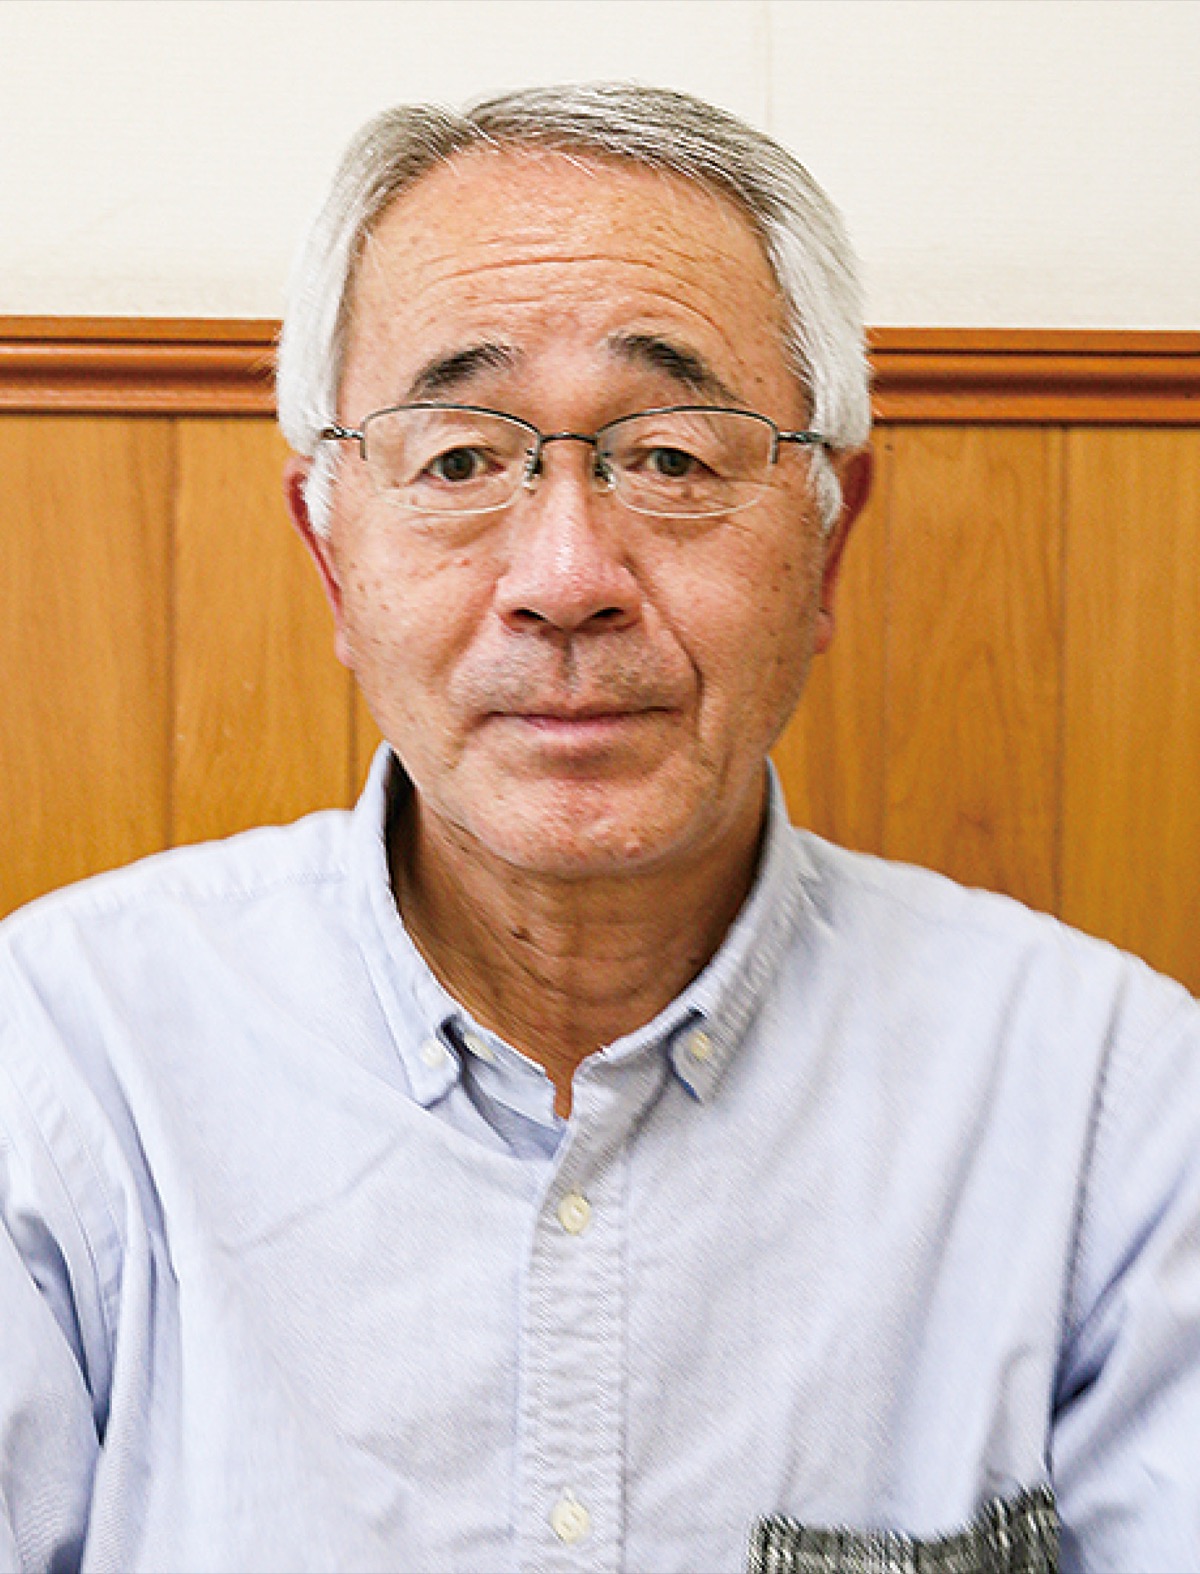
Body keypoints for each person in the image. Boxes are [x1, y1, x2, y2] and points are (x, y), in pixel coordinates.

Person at [1, 82, 1197, 1574]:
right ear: (331, 556)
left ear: (829, 538)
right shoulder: (63, 1066)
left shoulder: (1115, 1103)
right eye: (459, 460)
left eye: (673, 456)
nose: (566, 578)